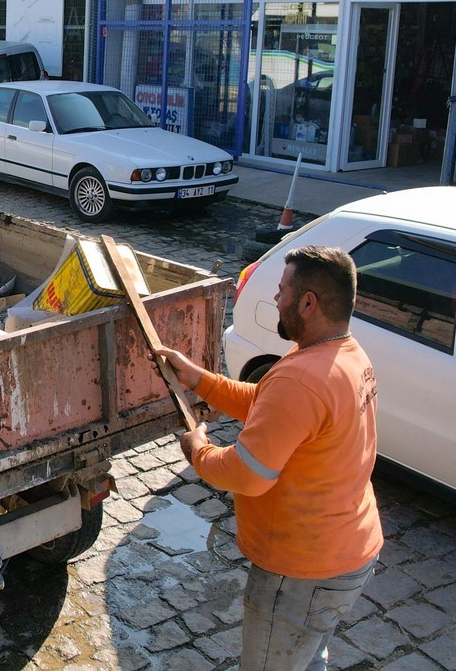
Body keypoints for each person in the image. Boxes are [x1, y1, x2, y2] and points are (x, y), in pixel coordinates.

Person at [154, 245, 382, 671]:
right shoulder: (343, 354)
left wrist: (197, 450)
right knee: (308, 654)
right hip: (346, 552)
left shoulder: (304, 377)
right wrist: (201, 380)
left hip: (302, 573)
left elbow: (248, 473)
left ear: (308, 303)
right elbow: (268, 404)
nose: (275, 300)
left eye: (282, 291)